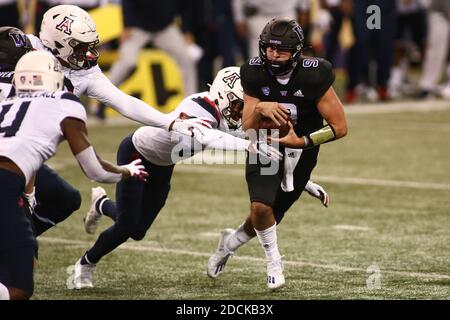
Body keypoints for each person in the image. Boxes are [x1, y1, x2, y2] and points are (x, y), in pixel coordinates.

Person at [71, 66, 329, 289]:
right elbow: (207, 136)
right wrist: (247, 146)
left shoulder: (228, 118)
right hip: (136, 154)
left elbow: (252, 143)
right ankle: (85, 264)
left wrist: (302, 181)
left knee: (138, 230)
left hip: (164, 165)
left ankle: (102, 204)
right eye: (240, 105)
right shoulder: (198, 105)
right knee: (127, 226)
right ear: (224, 96)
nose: (243, 112)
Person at [0, 5, 209, 239]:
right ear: (57, 43)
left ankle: (18, 241)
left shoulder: (84, 72)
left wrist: (169, 122)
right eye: (80, 47)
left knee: (65, 199)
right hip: (13, 151)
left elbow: (123, 101)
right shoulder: (15, 47)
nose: (88, 54)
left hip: (24, 152)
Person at [206, 17, 347, 290]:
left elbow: (340, 127)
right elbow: (247, 125)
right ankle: (273, 261)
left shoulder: (315, 74)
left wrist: (303, 141)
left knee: (267, 216)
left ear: (296, 51)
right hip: (264, 143)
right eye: (268, 48)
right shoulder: (254, 72)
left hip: (302, 152)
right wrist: (260, 109)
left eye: (280, 50)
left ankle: (230, 243)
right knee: (260, 206)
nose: (273, 54)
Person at [0, 50, 148, 300]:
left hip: (11, 184)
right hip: (5, 184)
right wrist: (127, 171)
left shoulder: (6, 102)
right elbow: (95, 170)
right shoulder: (64, 102)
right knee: (19, 288)